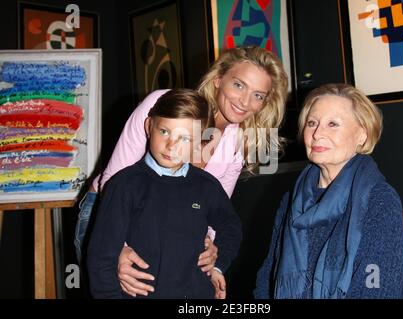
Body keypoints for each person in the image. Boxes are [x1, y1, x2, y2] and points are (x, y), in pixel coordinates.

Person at [74, 46, 288, 297]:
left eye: (258, 95)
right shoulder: (162, 104)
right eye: (239, 85)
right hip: (104, 212)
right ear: (219, 79)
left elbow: (213, 209)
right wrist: (117, 250)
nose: (245, 102)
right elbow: (115, 180)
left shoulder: (239, 142)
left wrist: (210, 249)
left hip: (166, 225)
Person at [254, 83, 403, 299]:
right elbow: (267, 277)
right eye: (312, 123)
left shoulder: (379, 200)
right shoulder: (291, 200)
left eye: (333, 124)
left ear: (362, 136)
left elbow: (379, 290)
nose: (317, 133)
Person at [87, 89, 242, 299]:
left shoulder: (207, 186)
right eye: (165, 132)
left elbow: (231, 227)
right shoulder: (123, 185)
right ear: (149, 126)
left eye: (185, 138)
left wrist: (218, 266)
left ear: (198, 144)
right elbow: (101, 260)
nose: (171, 145)